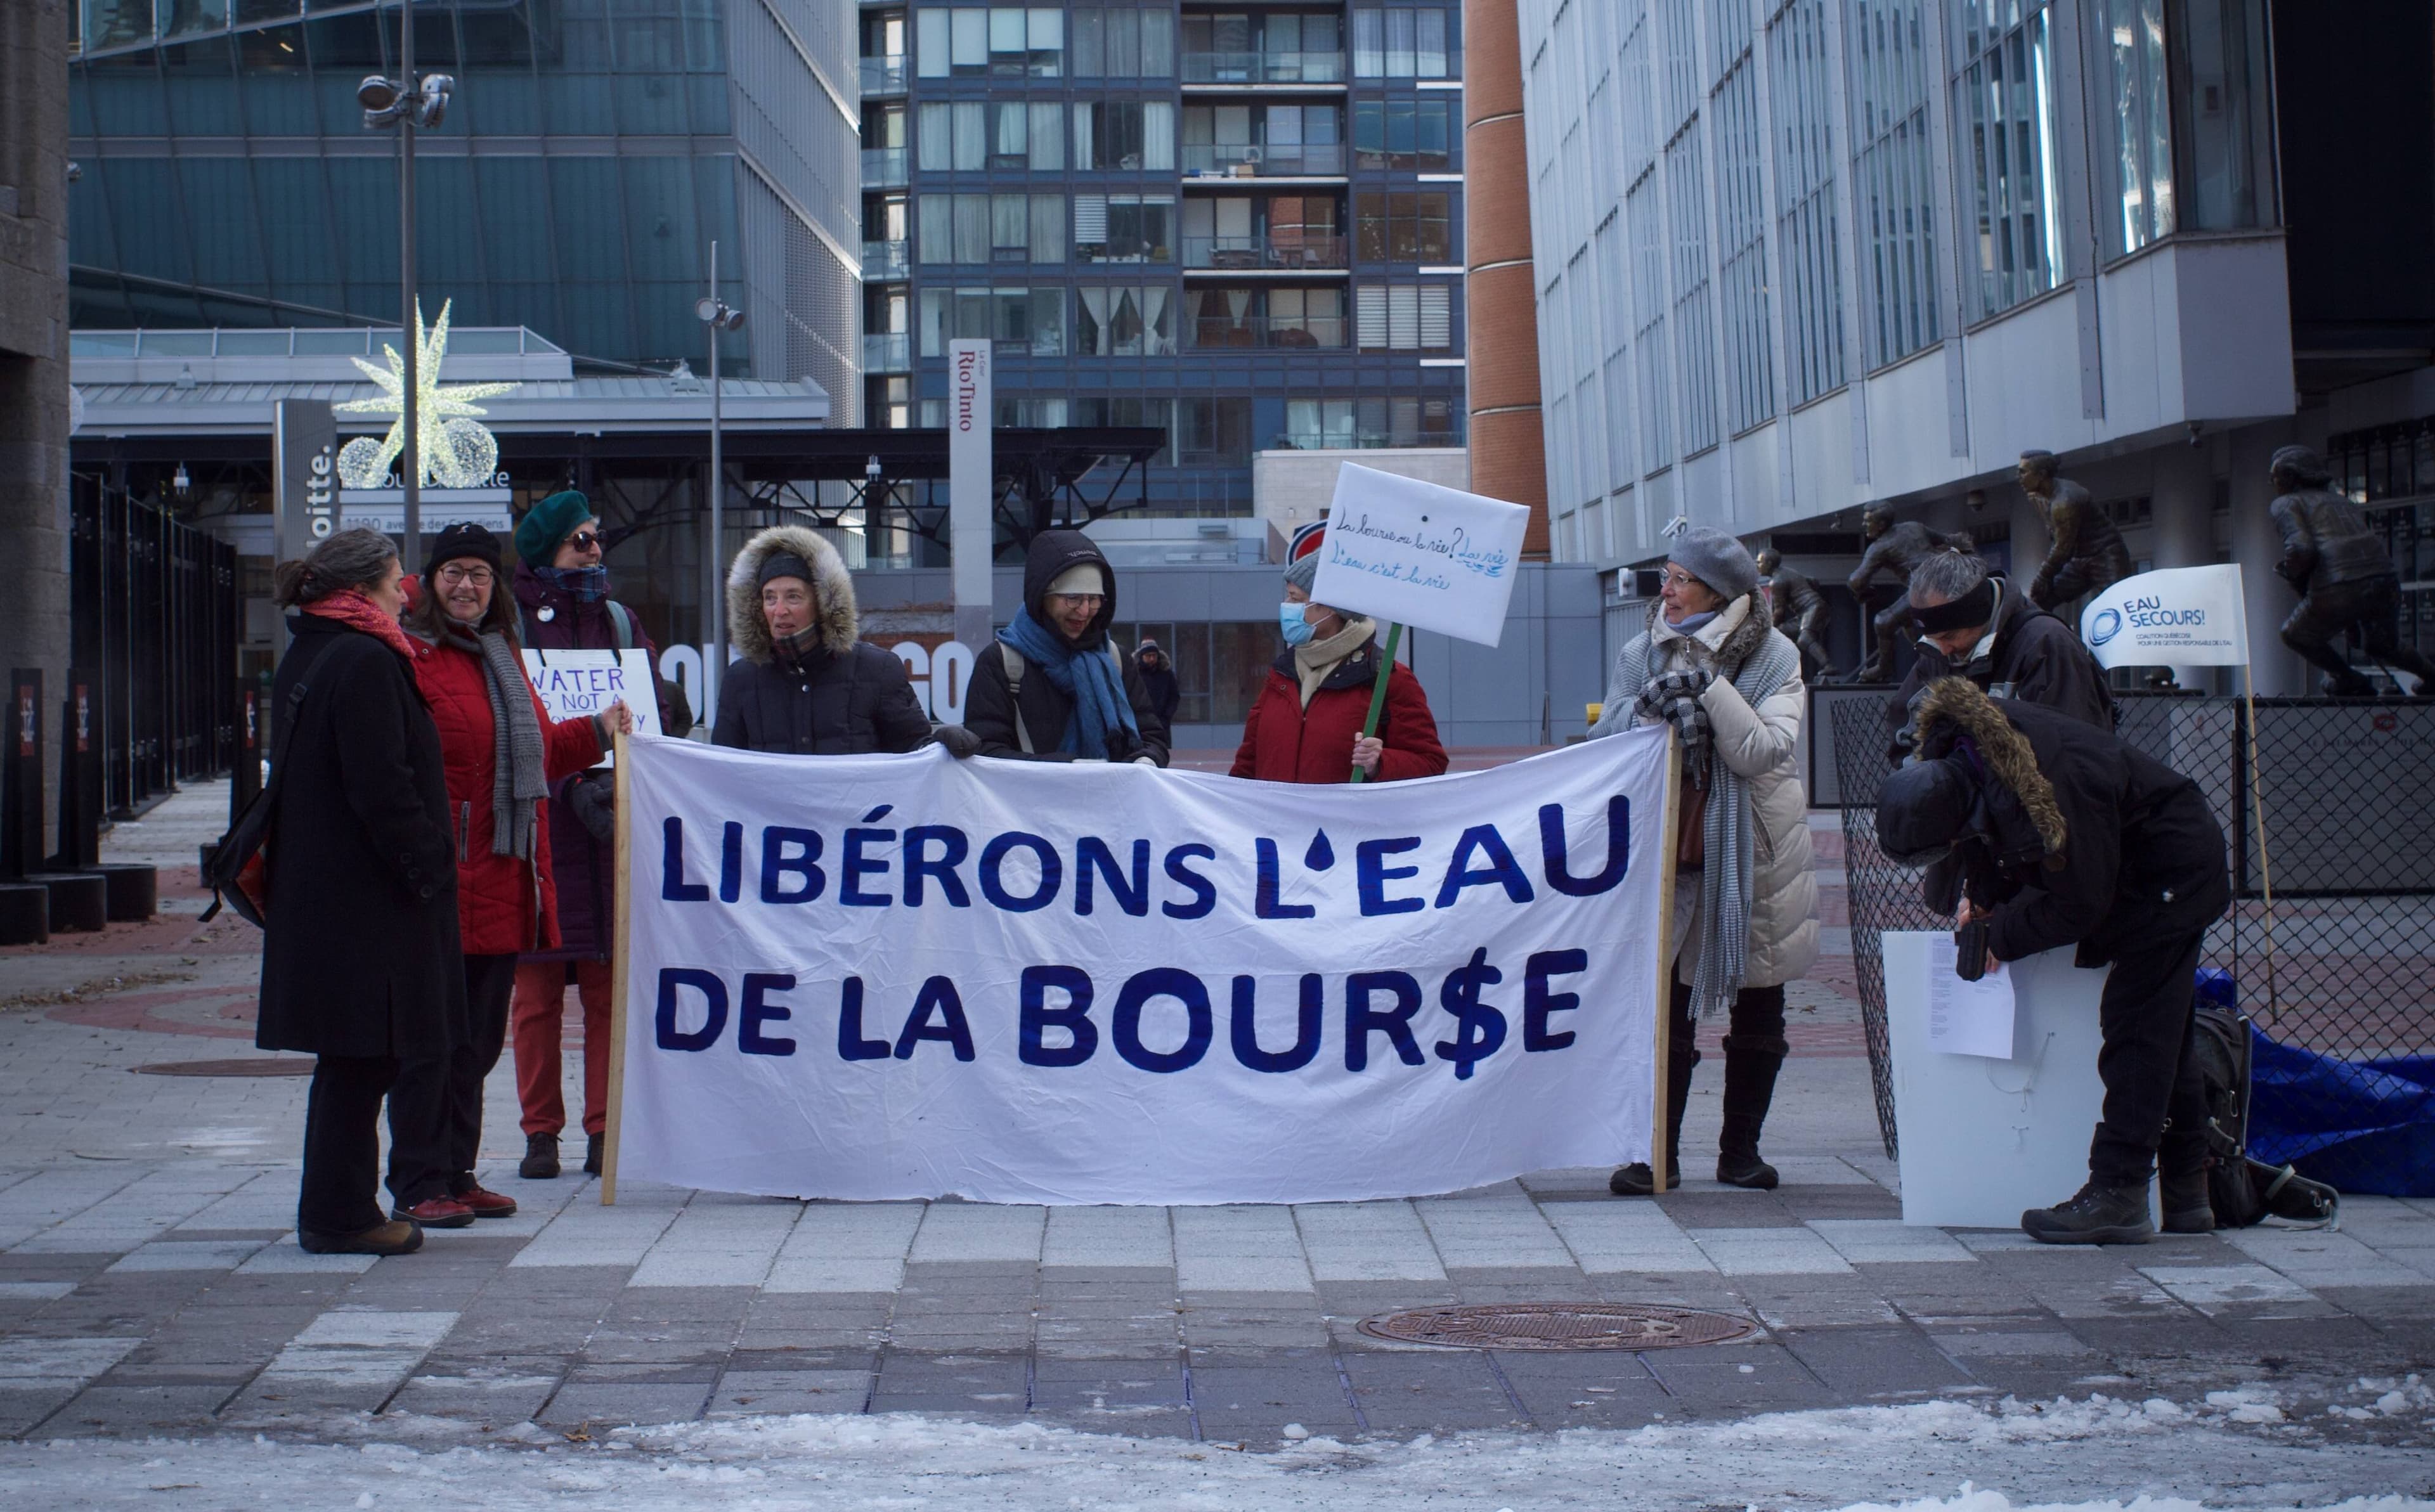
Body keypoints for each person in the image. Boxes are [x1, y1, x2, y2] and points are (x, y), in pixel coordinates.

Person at [1876, 677, 2231, 1244]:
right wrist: (1985, 898)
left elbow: (2081, 902)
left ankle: (2120, 1191)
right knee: (2167, 1031)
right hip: (2138, 862)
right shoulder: (1968, 762)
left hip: (2170, 870)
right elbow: (1991, 841)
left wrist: (2000, 935)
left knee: (2137, 1027)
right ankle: (2188, 1192)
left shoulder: (2050, 782)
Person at [393, 523, 630, 1229]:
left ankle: (458, 1172)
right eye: (453, 573)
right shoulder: (411, 656)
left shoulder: (500, 657)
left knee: (474, 1042)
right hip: (441, 883)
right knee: (429, 1044)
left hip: (503, 875)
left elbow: (533, 754)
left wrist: (597, 730)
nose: (467, 586)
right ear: (430, 582)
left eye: (480, 575)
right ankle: (417, 1179)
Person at [256, 528, 463, 1256]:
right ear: (368, 585)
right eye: (399, 577)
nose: (408, 589)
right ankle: (341, 1216)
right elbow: (381, 785)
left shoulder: (316, 647)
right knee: (363, 1054)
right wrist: (430, 861)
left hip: (332, 894)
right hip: (367, 900)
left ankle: (338, 1207)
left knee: (355, 1056)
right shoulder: (365, 659)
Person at [1592, 528, 1817, 1196]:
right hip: (1673, 855)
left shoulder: (1777, 656)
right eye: (1665, 575)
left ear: (1720, 593)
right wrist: (1647, 710)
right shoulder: (1642, 651)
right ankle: (1654, 1153)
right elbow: (1605, 741)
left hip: (1756, 858)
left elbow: (1759, 751)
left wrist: (1708, 690)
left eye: (1679, 579)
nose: (1665, 590)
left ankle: (1740, 1152)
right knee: (1668, 1009)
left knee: (1758, 1004)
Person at [507, 490, 682, 1180]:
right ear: (547, 549)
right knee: (537, 995)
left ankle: (604, 1129)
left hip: (609, 825)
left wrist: (656, 715)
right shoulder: (514, 625)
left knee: (609, 990)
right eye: (581, 540)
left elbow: (655, 702)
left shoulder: (617, 619)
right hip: (540, 831)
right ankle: (539, 1133)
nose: (595, 550)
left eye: (598, 538)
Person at [713, 525, 933, 754]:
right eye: (770, 598)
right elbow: (722, 769)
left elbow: (914, 752)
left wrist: (942, 748)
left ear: (822, 602)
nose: (780, 610)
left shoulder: (877, 670)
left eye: (793, 597)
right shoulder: (741, 679)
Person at [1230, 553, 1448, 783]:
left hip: (1347, 819)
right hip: (1279, 819)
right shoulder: (1281, 674)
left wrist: (1379, 764)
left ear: (1329, 608)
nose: (1287, 607)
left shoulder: (1386, 677)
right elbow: (1248, 763)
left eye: (1295, 599)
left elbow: (1430, 763)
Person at [963, 529, 1171, 765]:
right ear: (1042, 596)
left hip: (1109, 800)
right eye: (1073, 598)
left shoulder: (1115, 659)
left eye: (1094, 599)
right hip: (1030, 802)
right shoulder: (1001, 662)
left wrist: (1147, 759)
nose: (1084, 611)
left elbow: (1153, 738)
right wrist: (1068, 770)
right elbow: (986, 752)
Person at [1885, 549, 2113, 748]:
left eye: (1950, 636)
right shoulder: (1939, 651)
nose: (1944, 650)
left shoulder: (2048, 644)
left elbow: (2074, 751)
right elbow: (1904, 732)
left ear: (1980, 612)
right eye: (1934, 639)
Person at [2268, 444, 2435, 696]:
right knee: (2384, 646)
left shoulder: (2286, 503)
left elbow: (2301, 550)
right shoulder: (2342, 502)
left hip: (2339, 584)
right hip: (2384, 580)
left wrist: (2291, 573)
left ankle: (2347, 678)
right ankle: (2431, 676)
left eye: (2276, 477)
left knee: (2294, 634)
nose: (2274, 483)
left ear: (2292, 476)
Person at [1845, 506, 1959, 683]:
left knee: (1883, 621)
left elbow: (1856, 581)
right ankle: (1932, 661)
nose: (1864, 525)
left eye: (1868, 522)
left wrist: (1865, 592)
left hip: (1927, 584)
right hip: (1945, 576)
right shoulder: (1914, 527)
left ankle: (1884, 669)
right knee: (1907, 620)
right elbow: (1950, 540)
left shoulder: (1879, 547)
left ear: (1882, 525)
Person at [2018, 449, 2133, 612]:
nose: (2019, 477)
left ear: (2042, 474)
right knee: (2039, 600)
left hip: (2105, 555)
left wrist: (2043, 576)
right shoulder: (2044, 498)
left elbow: (2063, 548)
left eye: (2023, 473)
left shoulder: (2065, 501)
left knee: (2122, 606)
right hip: (2078, 559)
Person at [1753, 546, 1835, 679]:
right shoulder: (1787, 572)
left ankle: (1828, 666)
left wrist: (1768, 629)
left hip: (1813, 609)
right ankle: (1781, 670)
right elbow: (1813, 581)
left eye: (1759, 562)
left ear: (1769, 564)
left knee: (1805, 640)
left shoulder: (1777, 581)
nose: (1757, 566)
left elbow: (1780, 612)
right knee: (1781, 633)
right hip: (1807, 612)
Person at [1134, 638, 1182, 728]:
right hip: (1140, 724)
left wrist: (1166, 717)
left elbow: (1174, 696)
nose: (1152, 659)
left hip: (1162, 724)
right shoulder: (1134, 674)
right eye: (1148, 656)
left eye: (1154, 655)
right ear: (1142, 656)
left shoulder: (1166, 673)